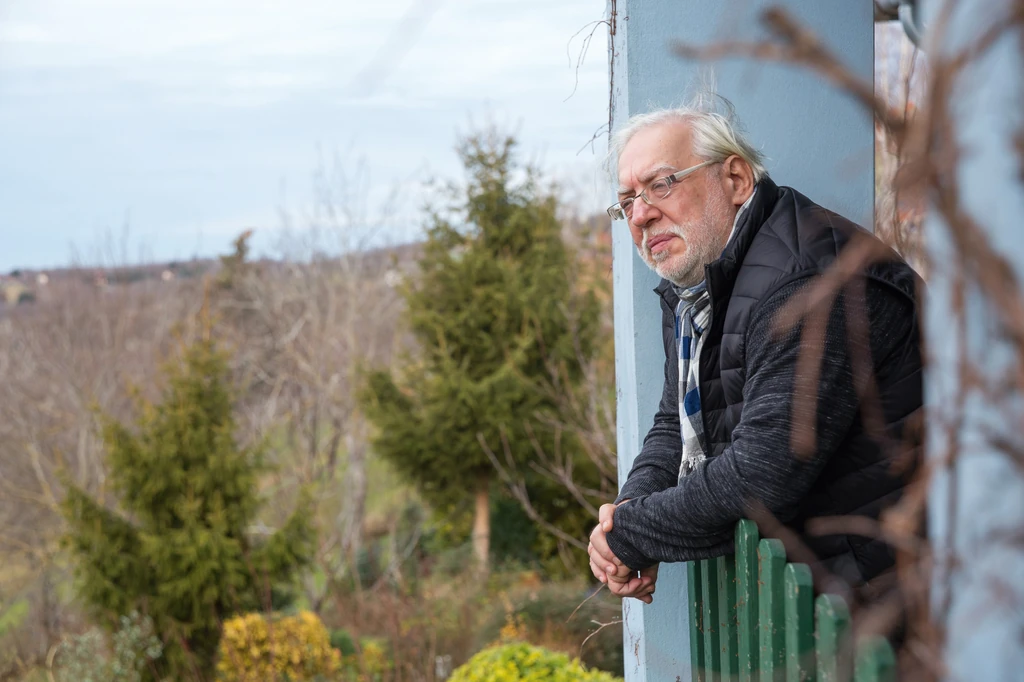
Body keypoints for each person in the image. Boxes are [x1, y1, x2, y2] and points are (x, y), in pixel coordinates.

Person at [588, 95, 923, 605]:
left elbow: (762, 474)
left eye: (661, 184)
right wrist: (629, 510)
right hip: (825, 590)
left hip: (904, 588)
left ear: (736, 179)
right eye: (627, 201)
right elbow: (675, 421)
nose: (641, 215)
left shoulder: (810, 281)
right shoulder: (698, 290)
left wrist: (630, 535)